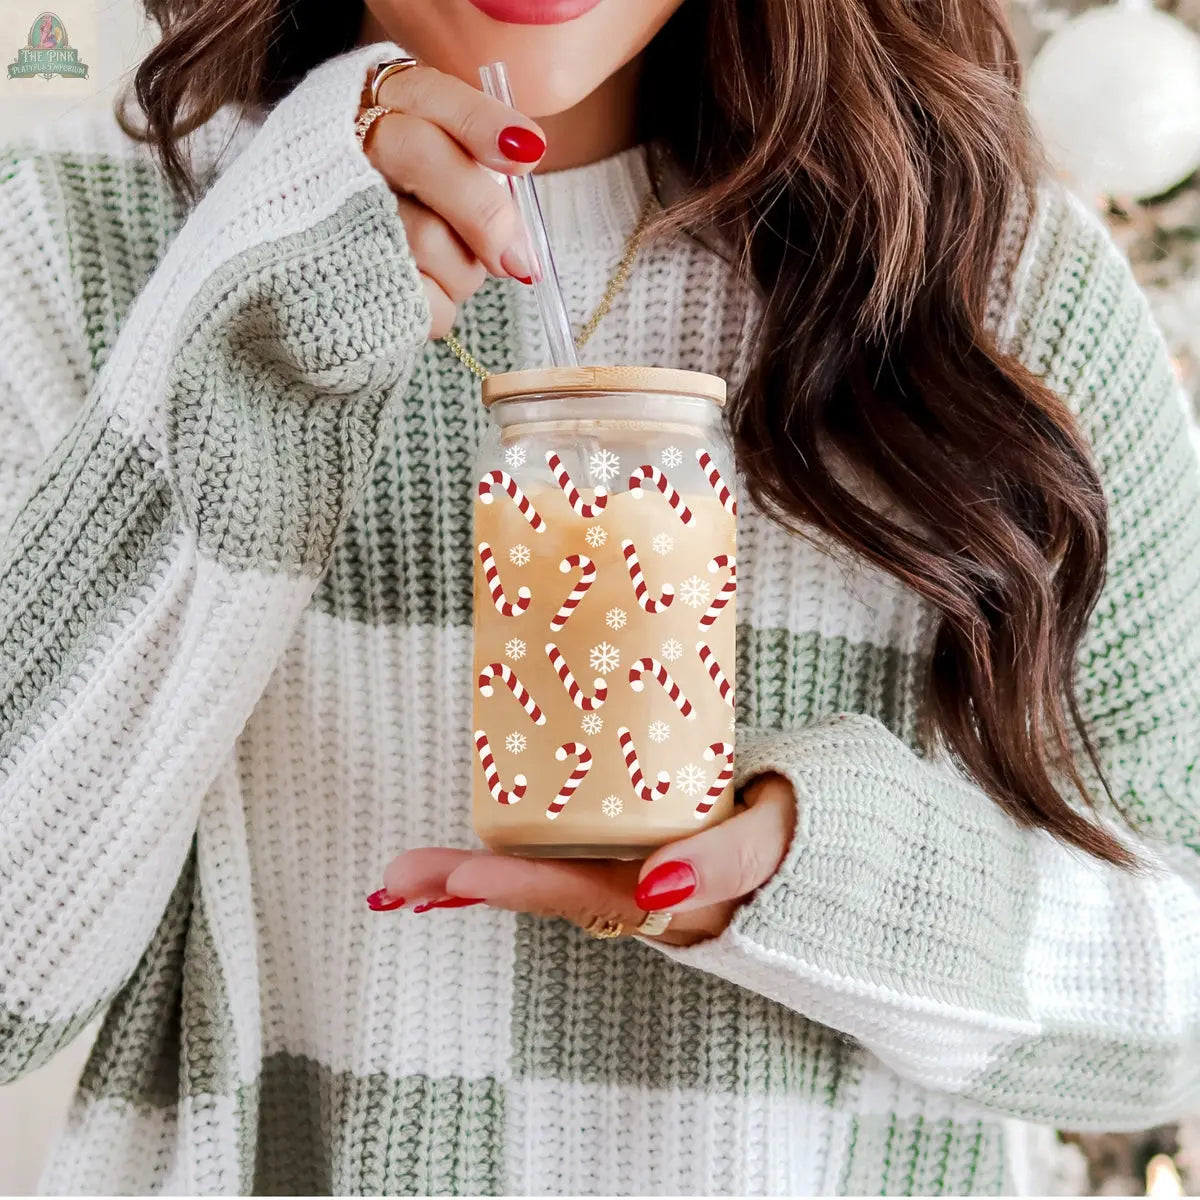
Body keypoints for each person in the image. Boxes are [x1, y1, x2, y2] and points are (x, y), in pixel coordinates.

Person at [1, 0, 1197, 1194]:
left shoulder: (979, 273)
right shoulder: (80, 233)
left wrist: (835, 877)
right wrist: (224, 358)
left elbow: (1179, 1014)